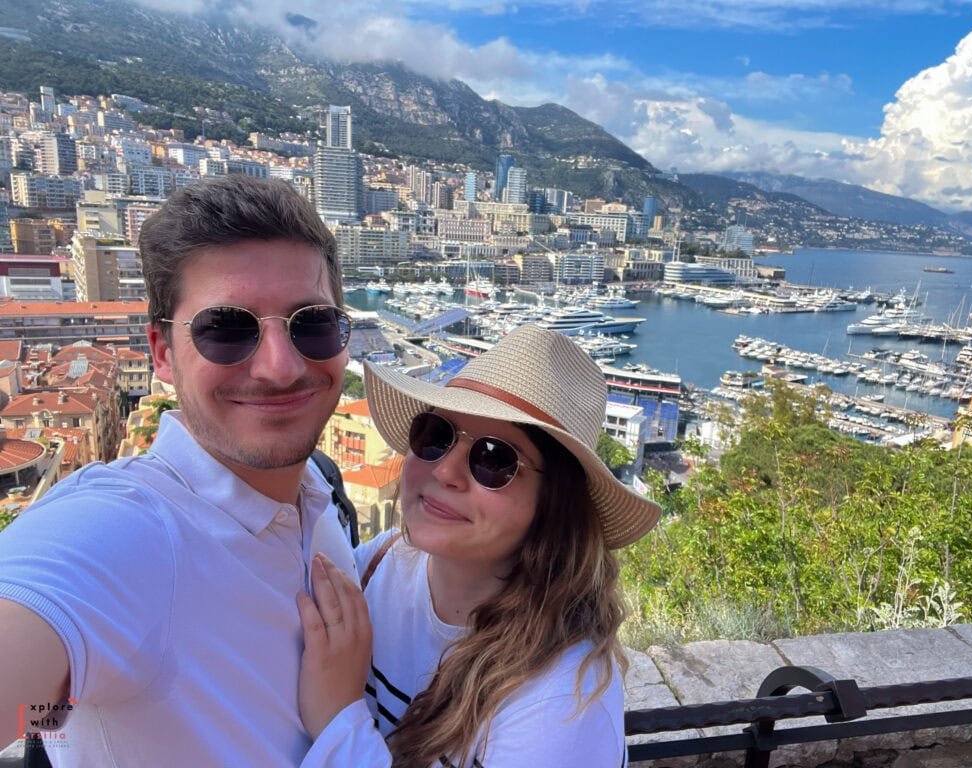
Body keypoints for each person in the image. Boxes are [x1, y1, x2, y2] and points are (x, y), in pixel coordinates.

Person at [0, 175, 365, 766]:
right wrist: (55, 716)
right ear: (163, 352)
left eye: (311, 323)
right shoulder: (124, 532)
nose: (279, 368)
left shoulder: (318, 493)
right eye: (226, 329)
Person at [296, 324, 662, 767]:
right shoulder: (381, 563)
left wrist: (339, 718)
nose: (446, 471)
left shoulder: (563, 705)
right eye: (435, 435)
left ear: (553, 504)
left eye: (494, 458)